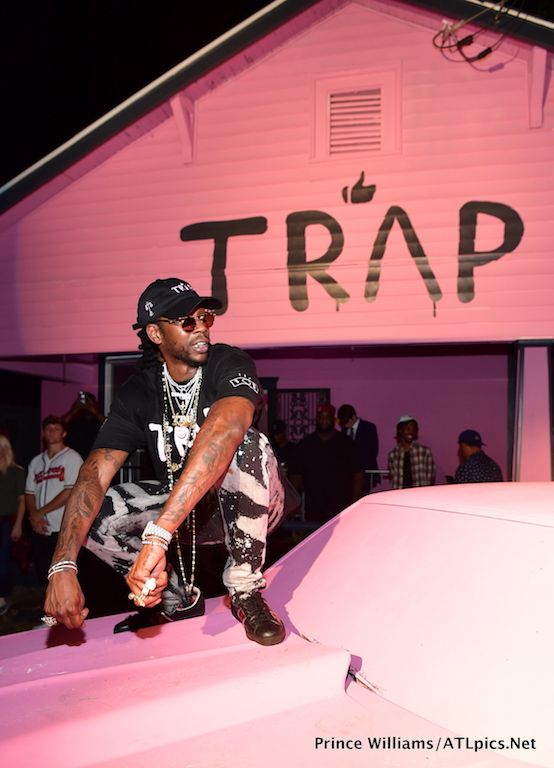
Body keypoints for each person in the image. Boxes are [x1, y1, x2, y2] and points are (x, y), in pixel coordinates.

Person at [44, 277, 286, 646]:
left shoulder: (229, 361)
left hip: (250, 503)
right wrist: (62, 564)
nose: (201, 327)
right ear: (156, 334)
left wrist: (158, 535)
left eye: (205, 317)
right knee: (99, 512)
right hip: (185, 511)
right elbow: (94, 473)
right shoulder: (139, 391)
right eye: (187, 322)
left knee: (244, 443)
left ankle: (245, 590)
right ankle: (172, 598)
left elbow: (228, 427)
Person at [25, 416, 84, 586]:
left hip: (62, 526)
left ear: (64, 433)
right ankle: (48, 608)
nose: (51, 432)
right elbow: (29, 492)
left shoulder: (72, 458)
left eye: (56, 428)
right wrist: (34, 517)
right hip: (39, 527)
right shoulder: (36, 461)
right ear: (44, 433)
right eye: (48, 429)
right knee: (42, 572)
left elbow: (69, 491)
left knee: (63, 573)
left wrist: (39, 512)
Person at [288, 404, 364, 526]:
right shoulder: (305, 445)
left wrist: (354, 501)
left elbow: (358, 473)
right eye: (321, 417)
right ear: (316, 419)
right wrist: (292, 505)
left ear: (333, 420)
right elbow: (296, 475)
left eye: (327, 417)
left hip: (342, 507)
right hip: (313, 507)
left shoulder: (347, 443)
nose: (324, 420)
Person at [0, 435, 26, 617]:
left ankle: (1, 598)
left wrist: (18, 525)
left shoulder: (16, 471)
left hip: (7, 523)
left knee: (2, 563)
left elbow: (22, 500)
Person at [337, 404, 380, 493]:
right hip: (348, 474)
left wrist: (359, 467)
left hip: (364, 472)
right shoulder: (344, 430)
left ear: (353, 417)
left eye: (346, 422)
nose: (345, 425)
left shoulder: (369, 427)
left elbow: (373, 451)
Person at [387, 415, 435, 489]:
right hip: (399, 495)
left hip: (419, 496)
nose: (411, 432)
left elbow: (430, 477)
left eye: (413, 430)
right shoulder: (393, 455)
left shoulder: (424, 452)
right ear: (400, 430)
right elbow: (394, 479)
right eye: (408, 428)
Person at [62, 391, 106, 460]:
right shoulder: (74, 420)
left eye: (88, 402)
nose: (85, 405)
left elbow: (110, 425)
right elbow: (60, 424)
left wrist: (94, 410)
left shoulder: (98, 420)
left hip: (94, 457)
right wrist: (75, 409)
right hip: (74, 458)